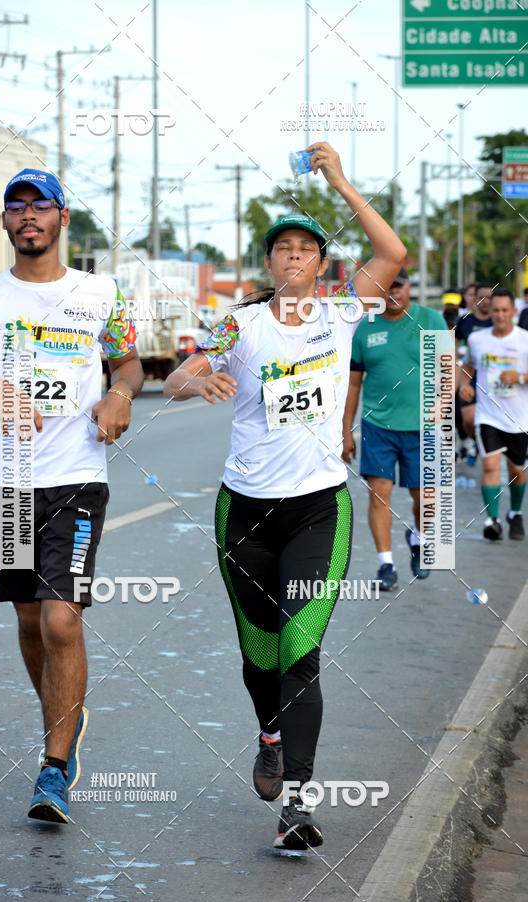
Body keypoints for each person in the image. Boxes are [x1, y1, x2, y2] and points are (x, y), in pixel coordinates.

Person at [163, 142, 406, 850]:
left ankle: (297, 800)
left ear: (323, 264)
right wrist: (193, 382)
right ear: (270, 264)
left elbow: (389, 250)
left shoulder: (341, 315)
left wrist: (338, 180)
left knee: (301, 650)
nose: (294, 257)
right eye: (283, 249)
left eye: (307, 248)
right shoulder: (241, 323)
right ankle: (268, 733)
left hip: (318, 509)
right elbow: (179, 377)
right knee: (259, 653)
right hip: (244, 510)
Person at [0, 168, 143, 823]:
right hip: (11, 483)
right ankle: (63, 719)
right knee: (29, 618)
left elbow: (129, 361)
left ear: (61, 219)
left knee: (60, 618)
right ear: (4, 223)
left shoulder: (101, 292)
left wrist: (119, 394)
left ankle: (53, 766)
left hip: (78, 478)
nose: (28, 216)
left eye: (40, 205)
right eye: (15, 206)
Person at [342, 268, 448, 590]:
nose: (392, 294)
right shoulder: (363, 330)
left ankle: (418, 537)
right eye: (385, 288)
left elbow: (448, 368)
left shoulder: (431, 320)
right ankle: (385, 565)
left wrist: (443, 403)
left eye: (398, 287)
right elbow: (353, 385)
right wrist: (346, 430)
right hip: (378, 426)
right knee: (380, 494)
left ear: (408, 288)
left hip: (423, 427)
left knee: (425, 497)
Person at [460, 288, 528, 541]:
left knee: (516, 471)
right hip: (488, 416)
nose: (499, 315)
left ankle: (516, 513)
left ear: (513, 312)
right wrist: (464, 385)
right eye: (496, 310)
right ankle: (493, 520)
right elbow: (467, 365)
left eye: (504, 311)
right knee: (489, 465)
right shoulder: (478, 340)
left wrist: (519, 377)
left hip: (519, 418)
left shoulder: (525, 340)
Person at [456, 283, 492, 464]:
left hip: (493, 380)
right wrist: (459, 355)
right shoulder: (465, 320)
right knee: (468, 420)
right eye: (482, 297)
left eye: (490, 297)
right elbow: (452, 347)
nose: (486, 302)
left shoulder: (498, 320)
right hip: (469, 377)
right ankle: (476, 440)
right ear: (475, 299)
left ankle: (485, 446)